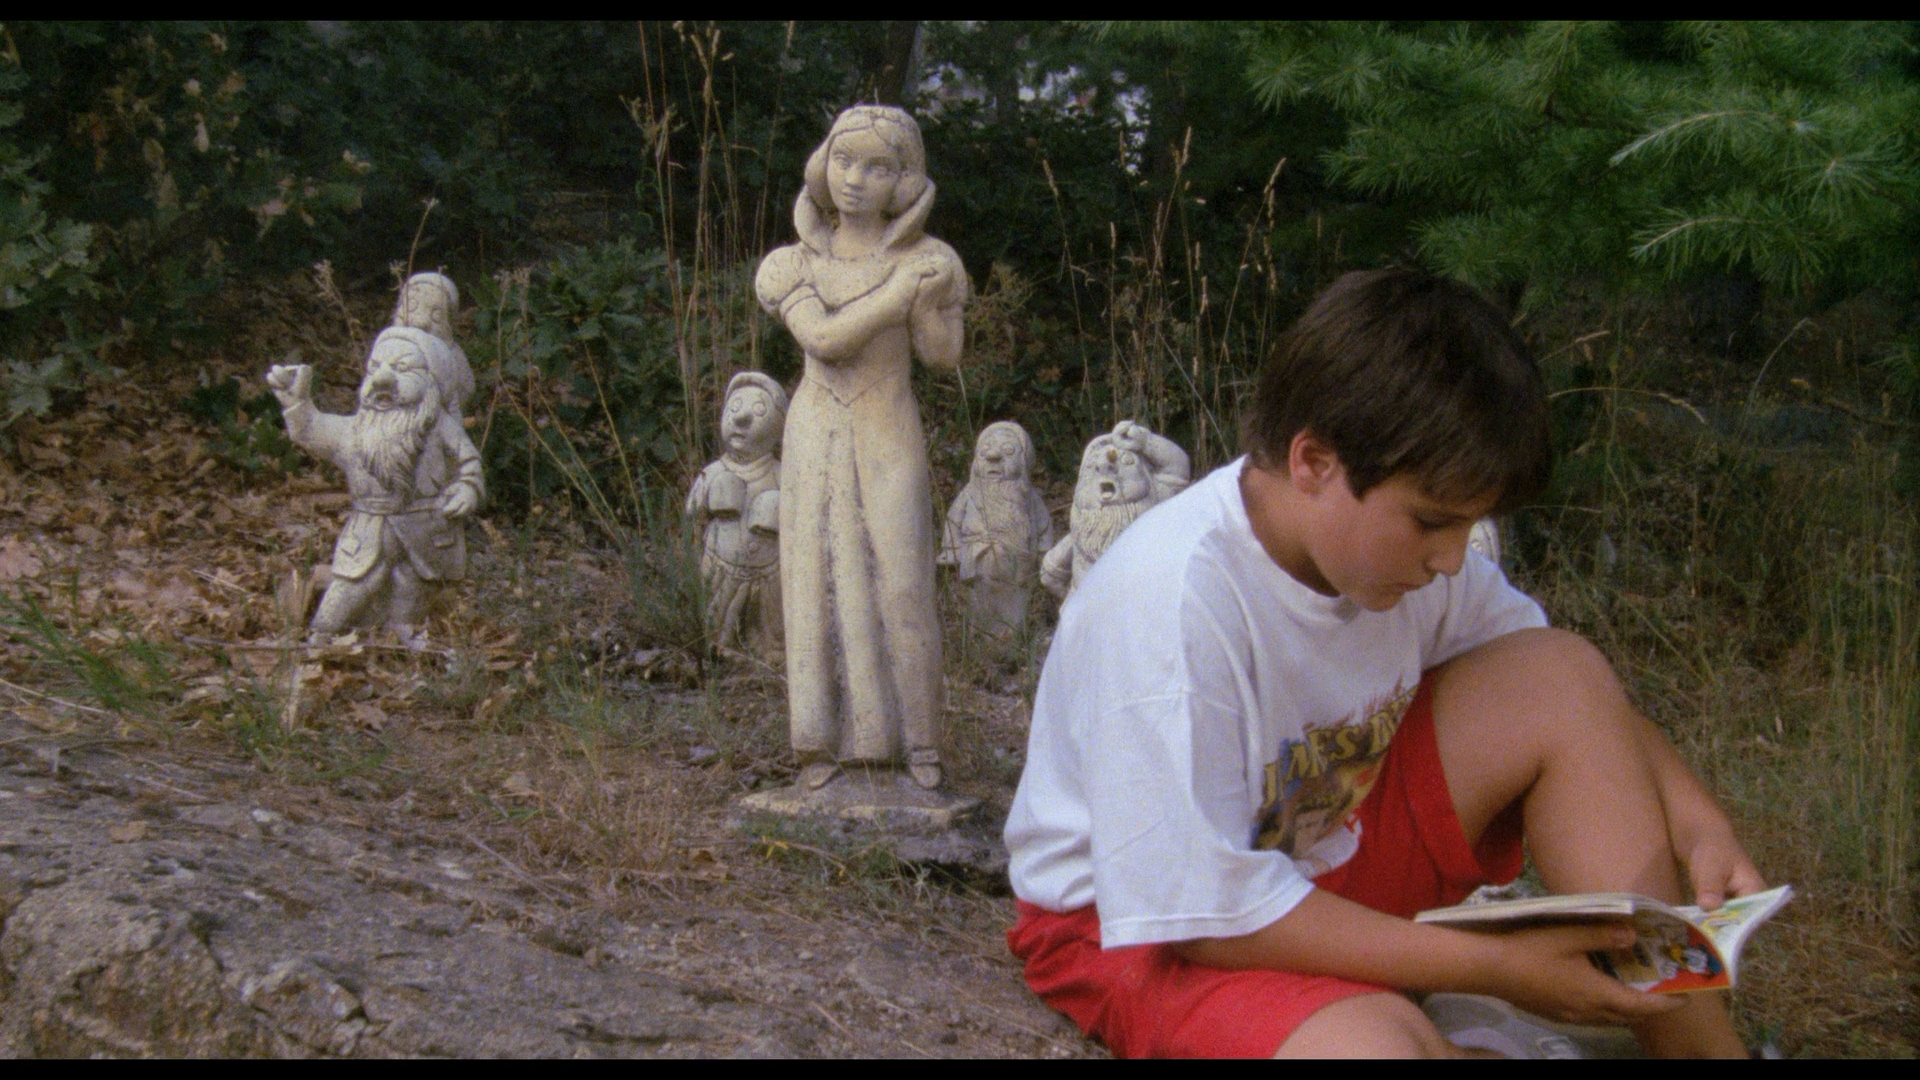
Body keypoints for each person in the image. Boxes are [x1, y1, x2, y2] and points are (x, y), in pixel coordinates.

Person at [1003, 269, 1765, 1058]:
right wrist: (1497, 968)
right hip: (1146, 929)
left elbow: (1580, 702)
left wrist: (1694, 819)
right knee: (1374, 1048)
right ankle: (1411, 1025)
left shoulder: (1402, 562)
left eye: (1467, 526)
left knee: (1559, 673)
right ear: (1313, 461)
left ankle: (1698, 1045)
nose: (1451, 559)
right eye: (1432, 522)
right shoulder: (1172, 600)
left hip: (1323, 849)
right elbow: (1203, 913)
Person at [755, 106, 967, 791]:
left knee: (902, 578)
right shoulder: (793, 264)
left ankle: (918, 742)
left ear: (905, 181)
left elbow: (943, 355)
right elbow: (824, 340)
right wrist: (898, 295)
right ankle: (819, 745)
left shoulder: (930, 260)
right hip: (816, 425)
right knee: (814, 577)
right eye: (845, 161)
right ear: (824, 164)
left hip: (886, 423)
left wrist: (926, 303)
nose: (854, 180)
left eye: (877, 168)